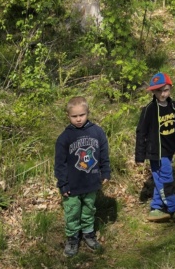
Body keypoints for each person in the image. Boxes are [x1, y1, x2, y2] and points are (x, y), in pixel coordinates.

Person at [135, 72, 175, 223]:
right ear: (153, 91)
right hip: (156, 151)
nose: (162, 94)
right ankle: (174, 208)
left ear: (171, 88)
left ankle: (156, 208)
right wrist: (139, 156)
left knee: (160, 178)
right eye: (158, 91)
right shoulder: (149, 109)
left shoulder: (173, 106)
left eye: (165, 90)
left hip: (169, 149)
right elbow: (141, 132)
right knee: (166, 179)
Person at [55, 96, 111, 257]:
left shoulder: (97, 132)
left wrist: (105, 171)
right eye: (74, 116)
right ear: (68, 115)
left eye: (82, 115)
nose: (78, 119)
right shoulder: (64, 138)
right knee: (72, 212)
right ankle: (72, 238)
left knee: (89, 209)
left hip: (91, 181)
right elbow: (59, 164)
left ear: (88, 113)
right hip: (72, 185)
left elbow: (103, 154)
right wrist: (63, 184)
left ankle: (88, 234)